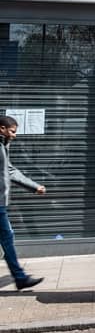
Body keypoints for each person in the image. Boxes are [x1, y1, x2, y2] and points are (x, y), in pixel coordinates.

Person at [0, 115, 46, 290]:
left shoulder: (3, 146)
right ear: (1, 129)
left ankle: (19, 277)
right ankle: (19, 277)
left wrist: (34, 187)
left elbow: (10, 171)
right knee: (7, 237)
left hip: (1, 203)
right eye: (12, 131)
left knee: (7, 237)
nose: (15, 135)